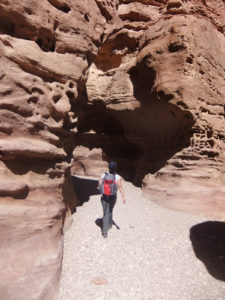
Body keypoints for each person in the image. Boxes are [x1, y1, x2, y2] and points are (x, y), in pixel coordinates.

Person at [99, 161, 126, 238]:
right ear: (115, 168)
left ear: (109, 168)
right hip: (113, 196)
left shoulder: (104, 175)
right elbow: (120, 187)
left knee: (105, 212)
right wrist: (123, 197)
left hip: (104, 197)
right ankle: (108, 227)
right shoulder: (117, 177)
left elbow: (100, 184)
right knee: (110, 210)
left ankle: (105, 230)